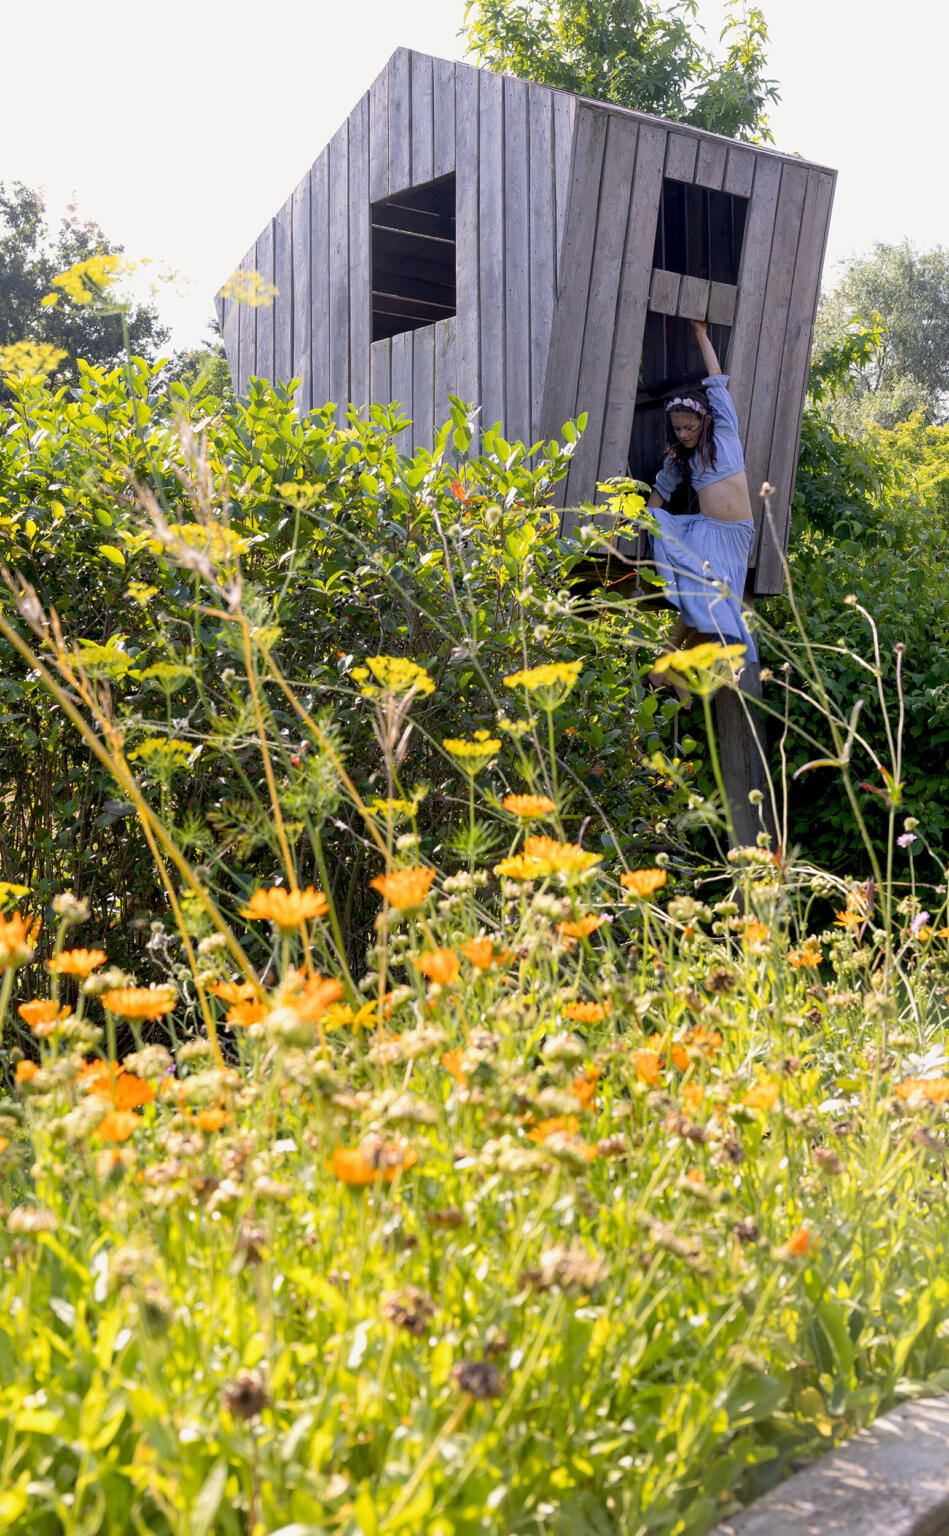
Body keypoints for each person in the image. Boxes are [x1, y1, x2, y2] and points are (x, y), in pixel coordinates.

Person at [644, 320, 757, 697]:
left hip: (739, 536)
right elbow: (661, 491)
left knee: (716, 616)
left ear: (704, 420)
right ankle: (665, 667)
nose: (684, 435)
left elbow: (716, 379)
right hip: (708, 532)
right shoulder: (683, 459)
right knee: (706, 603)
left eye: (689, 428)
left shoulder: (725, 430)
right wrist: (646, 521)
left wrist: (701, 334)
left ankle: (671, 671)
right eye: (677, 430)